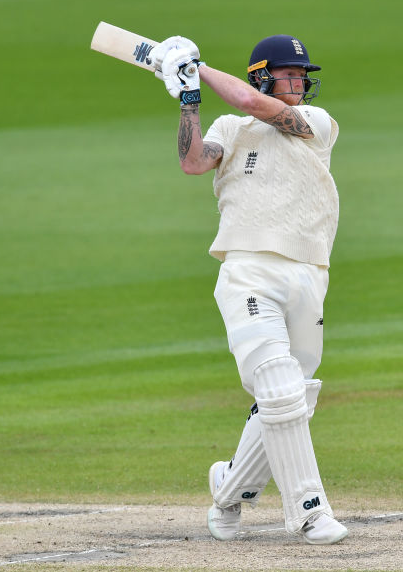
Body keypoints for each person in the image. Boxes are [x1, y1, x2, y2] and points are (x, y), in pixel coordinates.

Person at [149, 34, 348, 545]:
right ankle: (309, 511)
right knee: (279, 387)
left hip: (309, 272)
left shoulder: (318, 124)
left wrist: (197, 68)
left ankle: (229, 489)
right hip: (248, 270)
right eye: (289, 74)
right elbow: (194, 161)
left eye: (303, 75)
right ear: (263, 73)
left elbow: (247, 100)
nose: (300, 83)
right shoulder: (230, 130)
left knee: (290, 398)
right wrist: (188, 100)